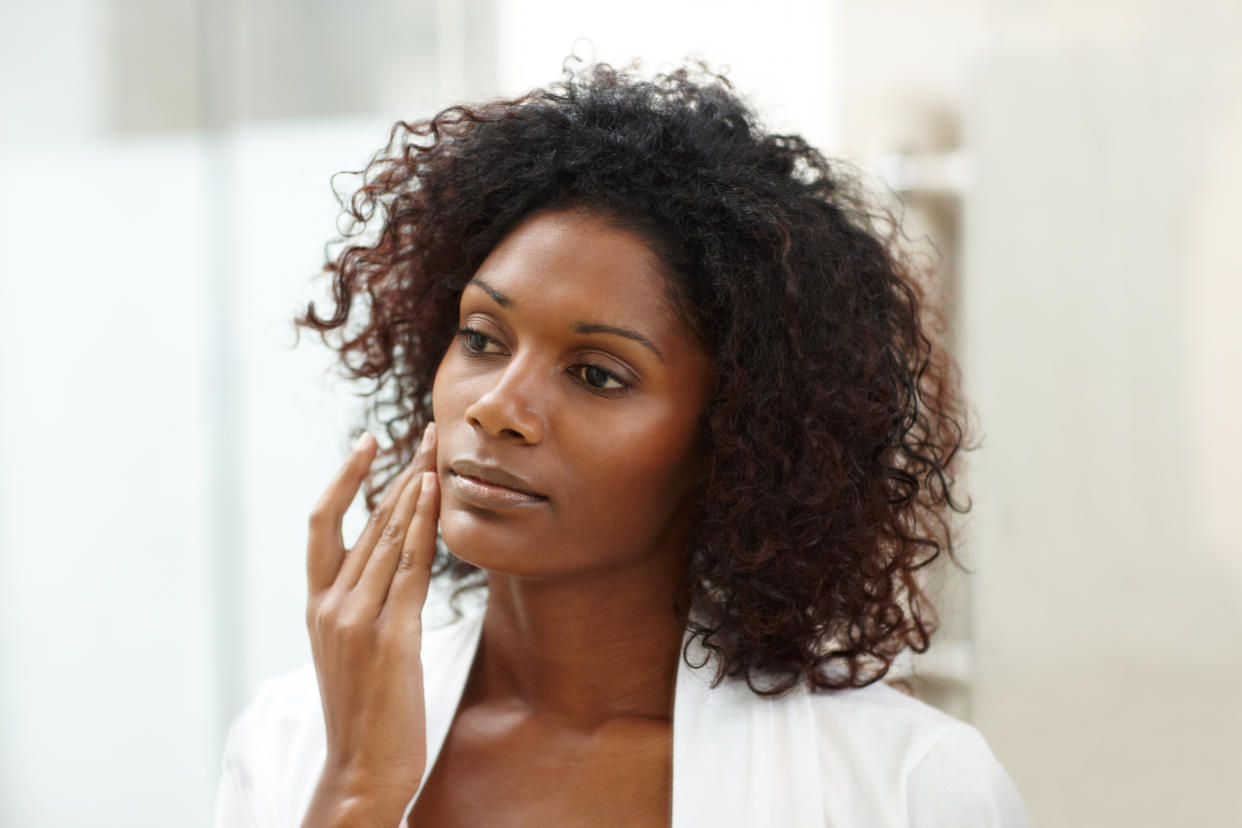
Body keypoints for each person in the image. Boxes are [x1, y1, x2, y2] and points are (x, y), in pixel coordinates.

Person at [212, 60, 1031, 827]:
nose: (498, 407)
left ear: (732, 438)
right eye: (483, 338)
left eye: (599, 374)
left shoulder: (903, 786)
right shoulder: (292, 742)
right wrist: (357, 786)